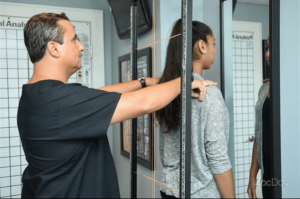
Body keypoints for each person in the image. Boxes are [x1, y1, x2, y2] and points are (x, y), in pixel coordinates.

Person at [17, 12, 217, 198]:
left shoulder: (36, 96)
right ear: (54, 48)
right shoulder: (60, 100)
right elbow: (144, 103)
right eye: (74, 39)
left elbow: (99, 96)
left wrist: (143, 81)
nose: (81, 46)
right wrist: (185, 82)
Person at [156, 19, 235, 198]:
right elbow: (218, 159)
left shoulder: (167, 91)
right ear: (202, 46)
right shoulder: (208, 93)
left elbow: (165, 150)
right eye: (213, 44)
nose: (214, 50)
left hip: (169, 191)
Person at [247, 37, 272, 198]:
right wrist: (252, 175)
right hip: (267, 171)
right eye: (267, 48)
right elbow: (259, 133)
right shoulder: (264, 89)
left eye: (271, 49)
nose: (267, 54)